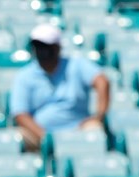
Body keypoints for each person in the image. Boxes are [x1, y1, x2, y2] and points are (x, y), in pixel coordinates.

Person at [9, 24, 110, 152]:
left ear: (57, 47)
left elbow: (102, 81)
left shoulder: (76, 65)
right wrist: (45, 138)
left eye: (46, 46)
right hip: (39, 134)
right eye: (38, 46)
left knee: (94, 129)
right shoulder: (25, 75)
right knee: (16, 137)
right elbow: (20, 113)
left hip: (78, 130)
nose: (42, 50)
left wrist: (99, 116)